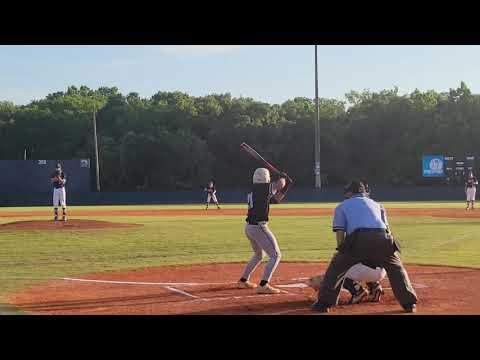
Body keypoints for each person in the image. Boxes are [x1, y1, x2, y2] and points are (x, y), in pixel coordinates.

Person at [312, 180, 418, 313]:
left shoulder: (342, 206)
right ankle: (409, 303)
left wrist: (342, 255)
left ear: (350, 192)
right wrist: (388, 253)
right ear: (364, 192)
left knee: (336, 268)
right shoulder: (378, 205)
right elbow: (388, 231)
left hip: (359, 238)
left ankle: (324, 304)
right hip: (382, 238)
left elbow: (340, 234)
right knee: (396, 268)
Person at [237, 168, 291, 294]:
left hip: (249, 227)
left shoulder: (255, 190)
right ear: (265, 178)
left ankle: (243, 281)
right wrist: (283, 177)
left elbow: (275, 199)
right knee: (276, 255)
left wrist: (286, 186)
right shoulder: (263, 188)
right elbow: (280, 184)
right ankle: (263, 284)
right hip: (259, 227)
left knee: (259, 255)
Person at [307, 262, 386, 304]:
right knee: (362, 264)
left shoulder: (354, 241)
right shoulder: (374, 239)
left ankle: (358, 291)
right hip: (382, 271)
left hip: (367, 271)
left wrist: (322, 280)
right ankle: (375, 287)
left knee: (340, 270)